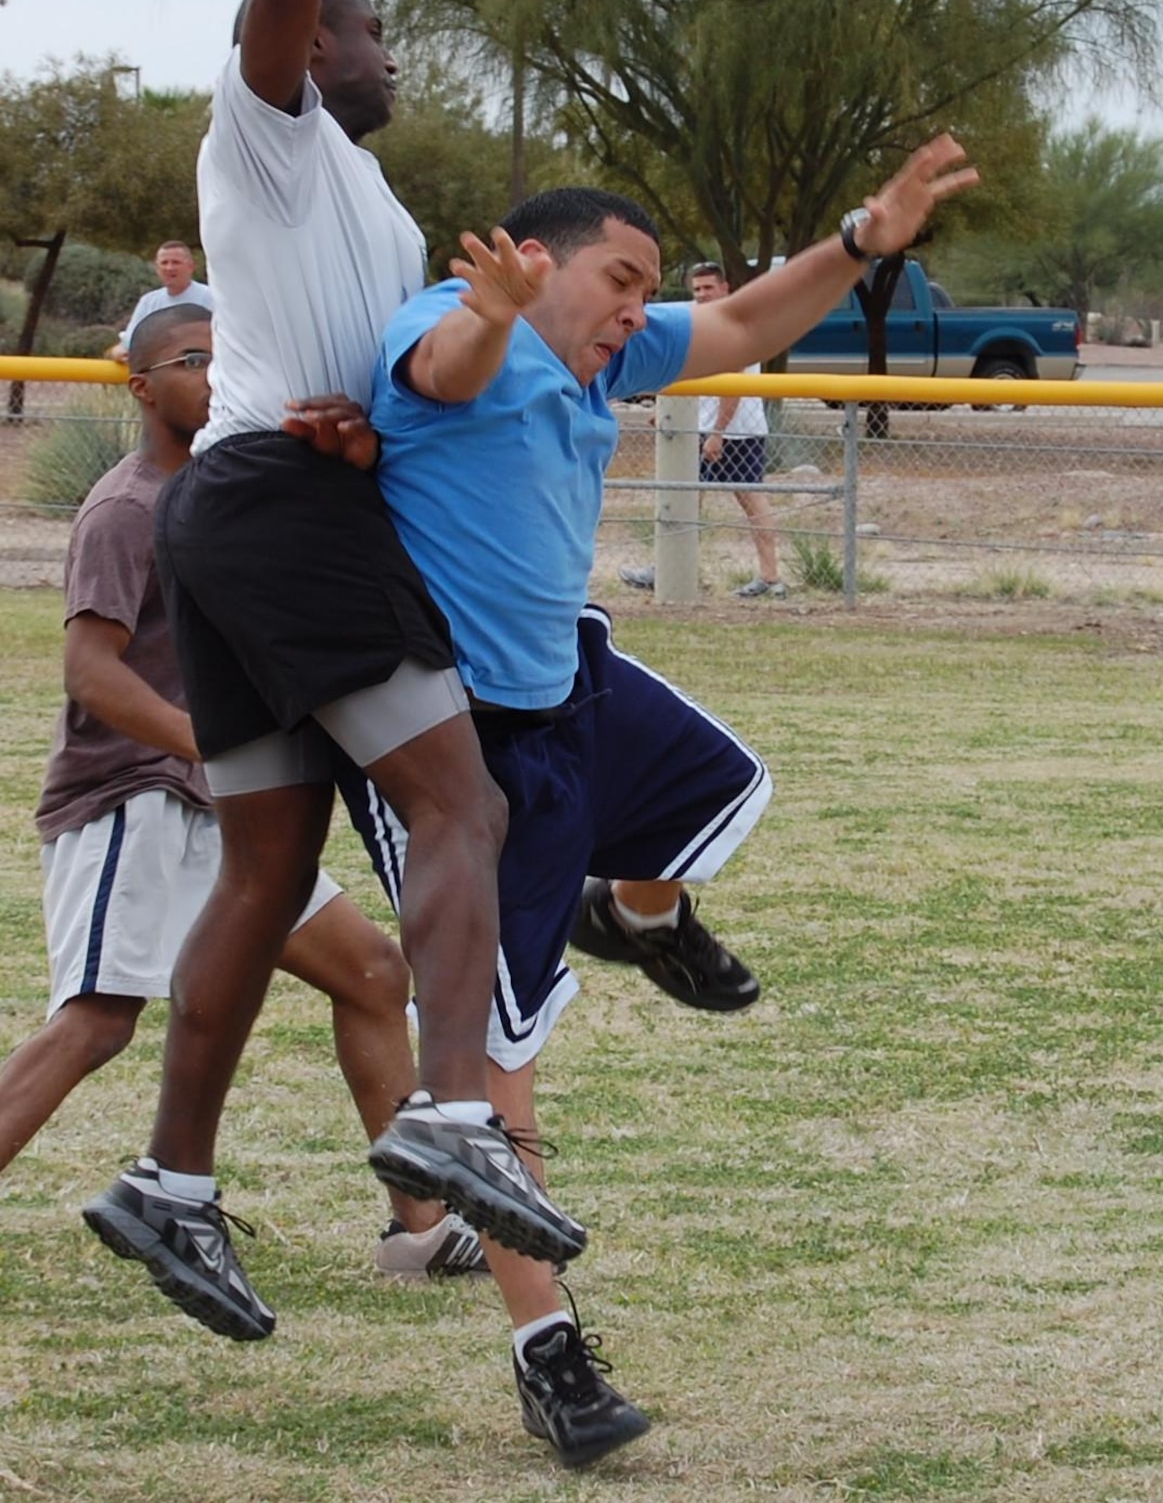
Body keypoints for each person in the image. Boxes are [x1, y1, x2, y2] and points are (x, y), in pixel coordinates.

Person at [301, 148, 975, 1467]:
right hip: (449, 756)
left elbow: (736, 325)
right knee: (497, 1068)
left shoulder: (598, 351)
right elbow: (446, 373)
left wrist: (858, 238)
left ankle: (631, 908)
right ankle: (547, 1356)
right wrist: (490, 315)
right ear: (536, 262)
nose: (637, 308)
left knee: (725, 788)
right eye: (620, 281)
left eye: (642, 290)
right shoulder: (450, 328)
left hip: (569, 690)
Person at [82, 0, 583, 1348]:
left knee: (266, 864)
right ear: (303, 43)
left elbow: (372, 378)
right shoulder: (277, 127)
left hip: (250, 510)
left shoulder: (361, 208)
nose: (382, 59)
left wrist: (366, 430)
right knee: (460, 808)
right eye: (364, 37)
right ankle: (449, 1118)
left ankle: (168, 1180)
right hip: (270, 517)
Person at [2, 303, 486, 1285]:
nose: (214, 374)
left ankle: (423, 1226)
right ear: (140, 388)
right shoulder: (127, 506)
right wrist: (213, 748)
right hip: (129, 799)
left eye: (230, 357)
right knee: (98, 1017)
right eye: (189, 360)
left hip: (228, 823)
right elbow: (93, 673)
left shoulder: (244, 504)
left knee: (371, 973)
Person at [620, 258, 784, 598]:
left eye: (709, 287)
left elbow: (732, 384)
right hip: (702, 429)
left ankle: (771, 577)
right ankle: (669, 569)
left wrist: (717, 433)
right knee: (685, 501)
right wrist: (669, 410)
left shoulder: (736, 323)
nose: (703, 294)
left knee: (751, 501)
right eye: (697, 289)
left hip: (736, 432)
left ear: (725, 288)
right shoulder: (698, 323)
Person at [108, 242, 214, 364]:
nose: (169, 268)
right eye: (164, 263)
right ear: (157, 268)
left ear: (191, 266)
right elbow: (131, 340)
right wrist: (116, 351)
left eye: (176, 262)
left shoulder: (210, 298)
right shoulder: (148, 302)